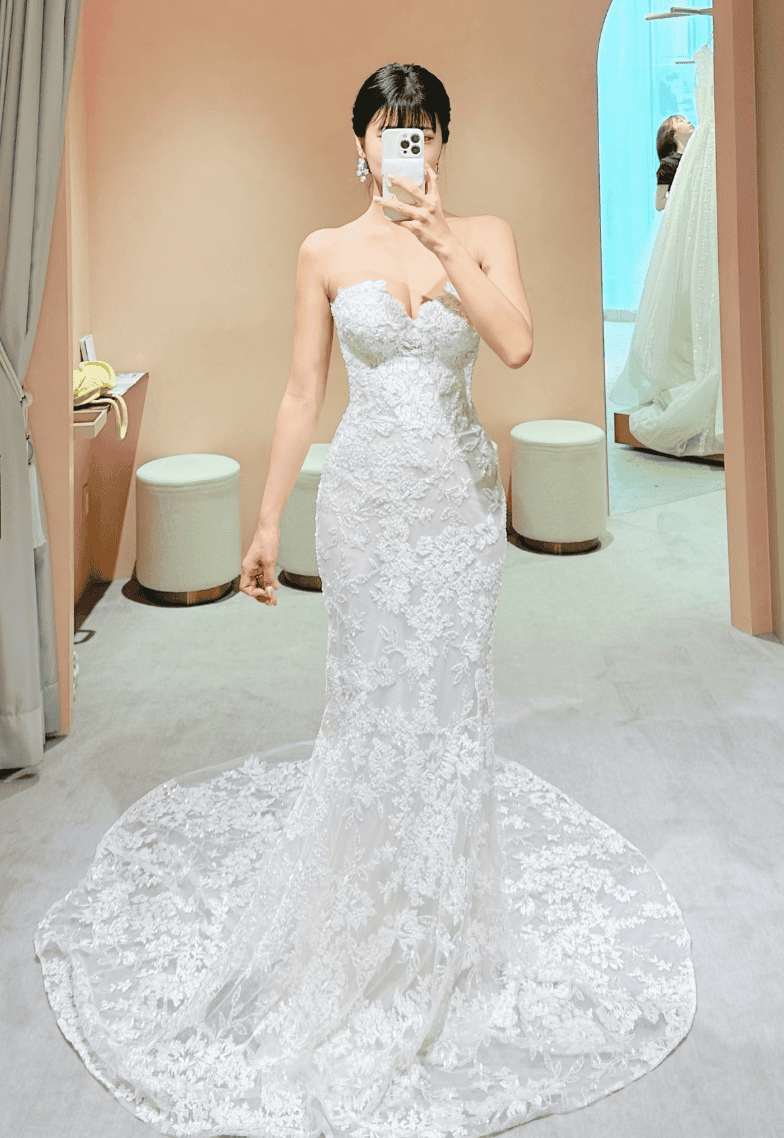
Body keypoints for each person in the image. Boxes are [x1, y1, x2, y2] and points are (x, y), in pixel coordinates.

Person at [35, 63, 696, 1138]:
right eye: (391, 131)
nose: (408, 147)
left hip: (459, 511)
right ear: (361, 147)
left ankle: (447, 925)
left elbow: (518, 343)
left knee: (450, 709)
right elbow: (304, 389)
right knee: (374, 710)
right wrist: (264, 522)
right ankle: (367, 920)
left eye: (423, 130)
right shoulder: (324, 252)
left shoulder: (482, 235)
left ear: (444, 144)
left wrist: (442, 243)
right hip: (367, 510)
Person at [610, 44, 723, 458]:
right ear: (671, 135)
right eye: (679, 121)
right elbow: (660, 202)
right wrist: (680, 200)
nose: (685, 121)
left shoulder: (697, 154)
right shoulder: (672, 165)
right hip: (682, 220)